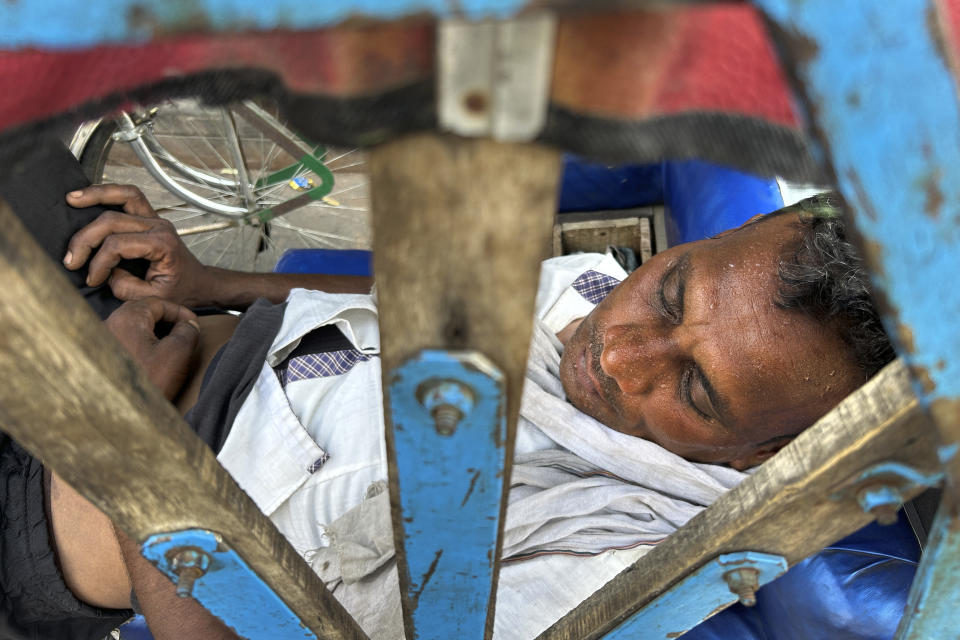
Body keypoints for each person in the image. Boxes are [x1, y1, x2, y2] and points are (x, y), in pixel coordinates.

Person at [0, 140, 894, 639]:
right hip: (140, 329)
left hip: (60, 500)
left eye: (695, 390)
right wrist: (211, 282)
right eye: (669, 294)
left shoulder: (615, 561)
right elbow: (422, 315)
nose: (619, 358)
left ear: (764, 452)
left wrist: (129, 438)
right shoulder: (594, 294)